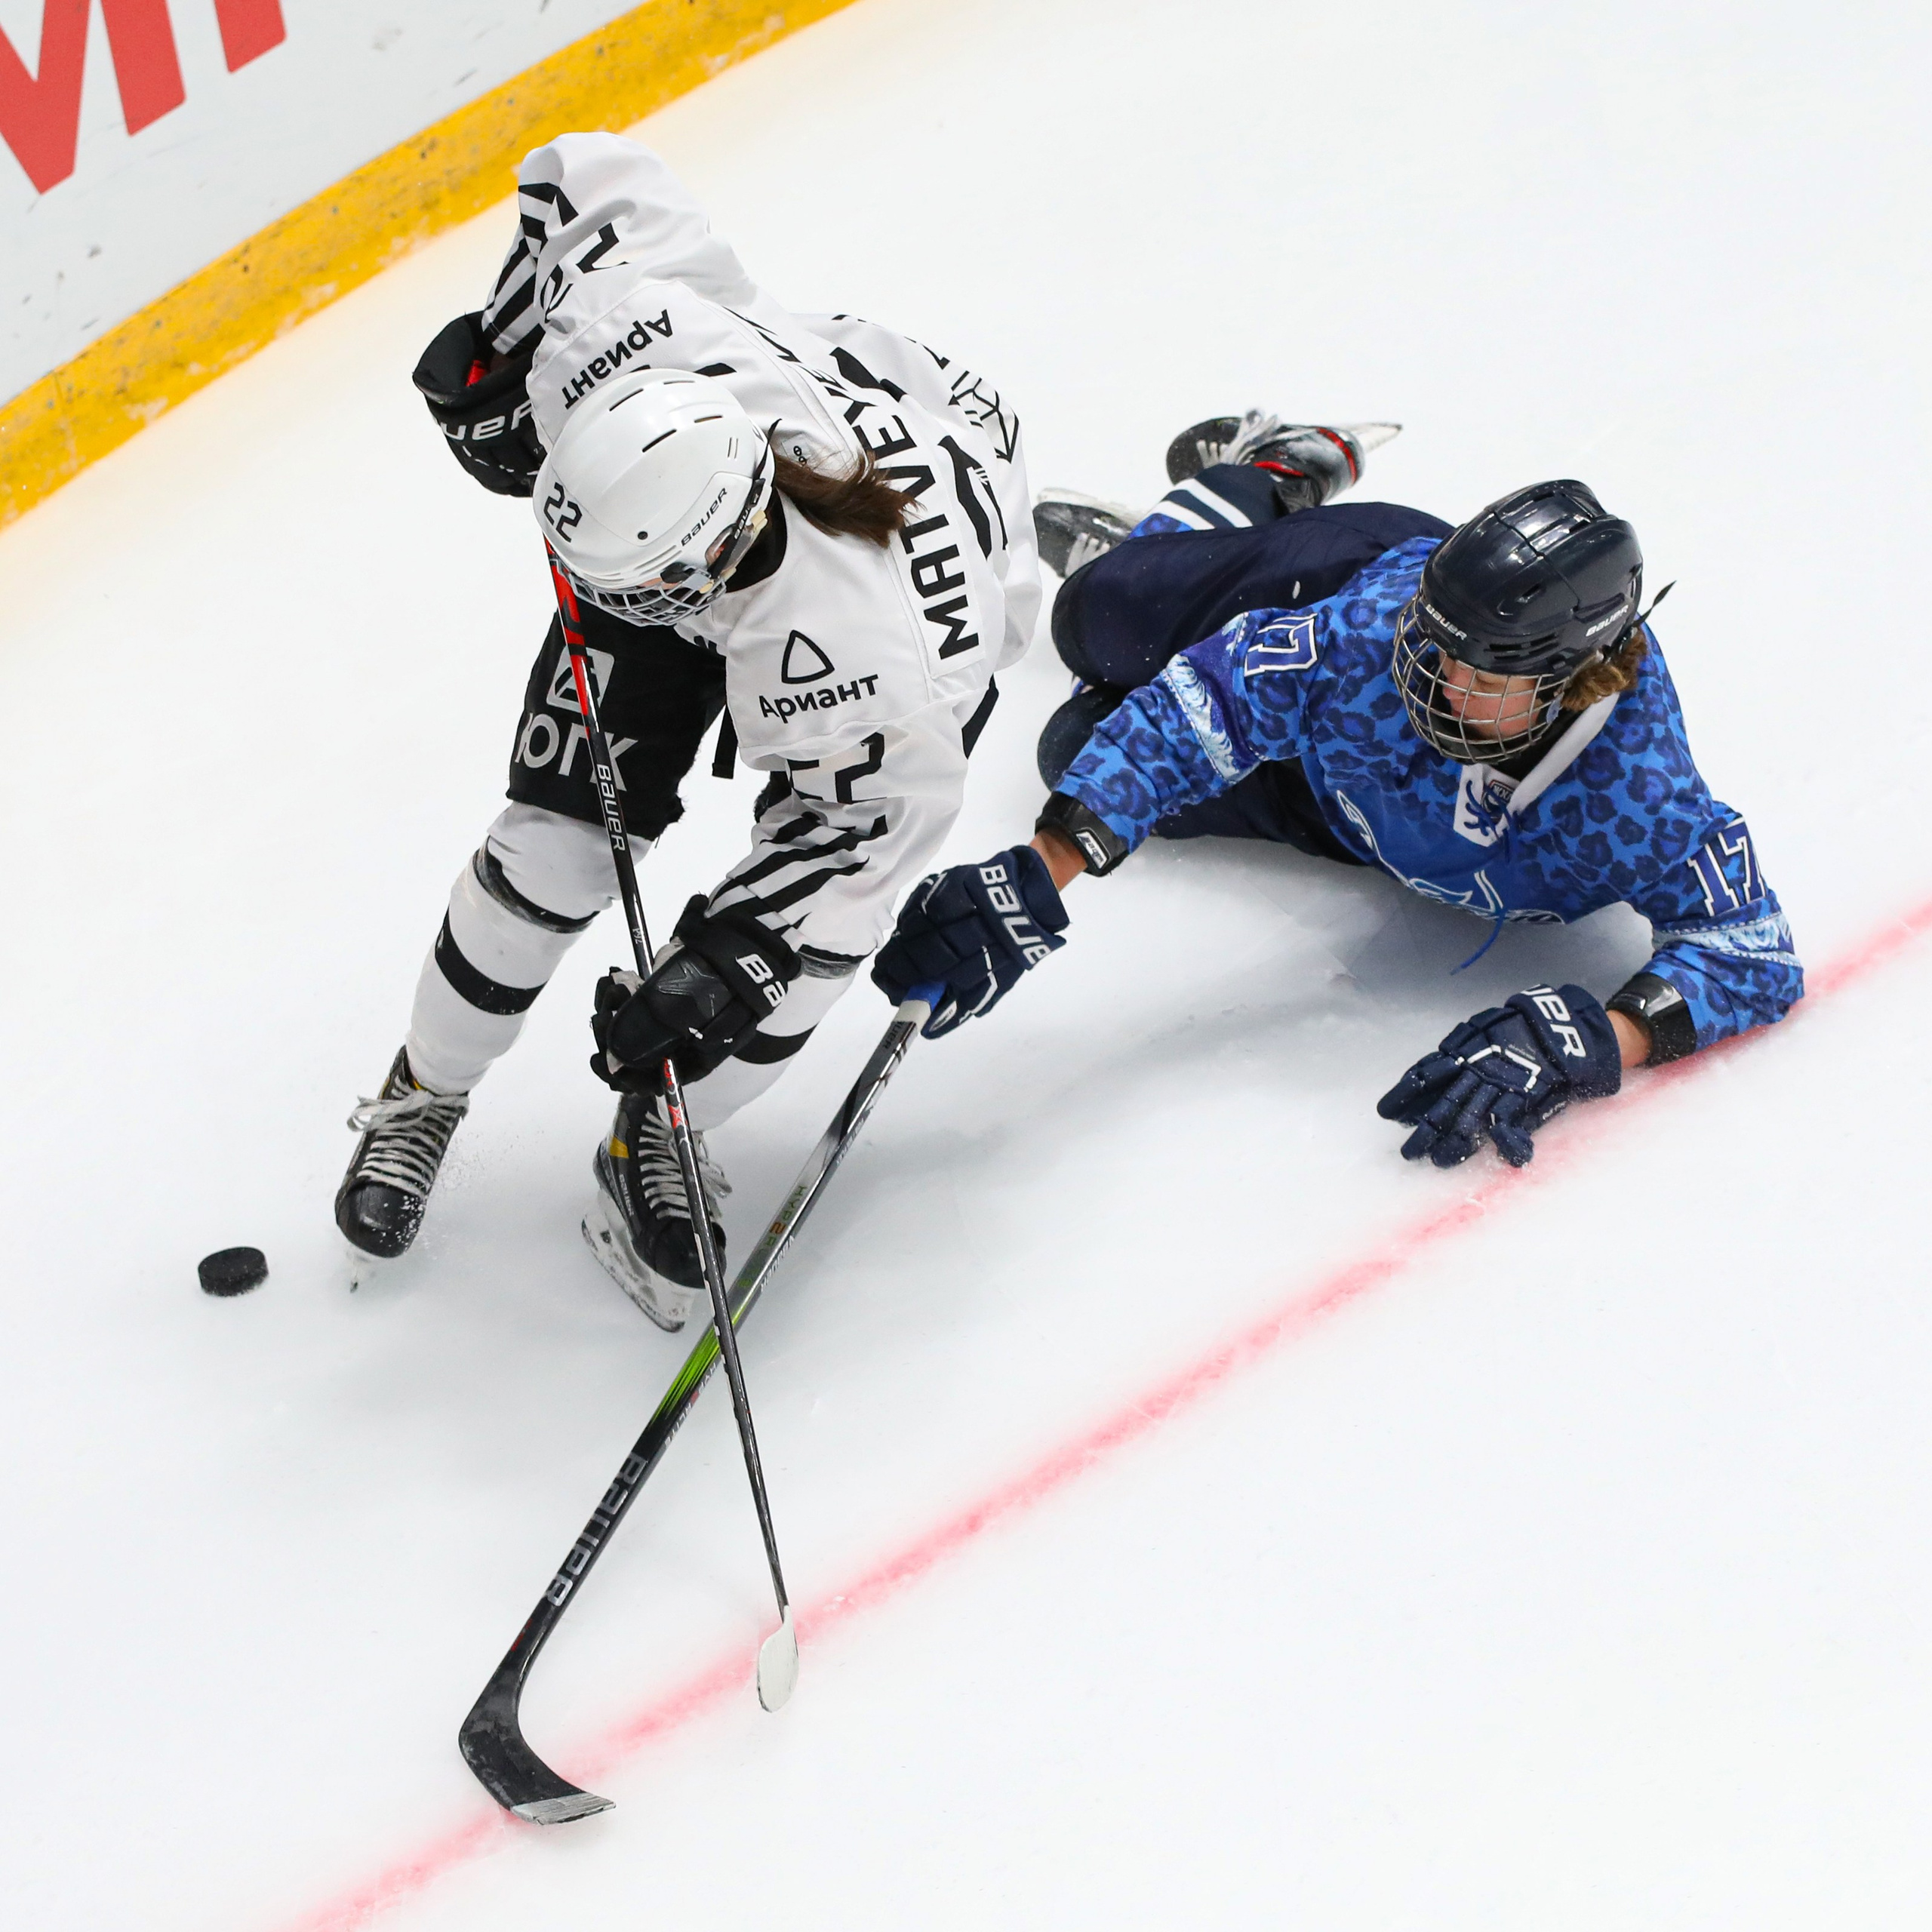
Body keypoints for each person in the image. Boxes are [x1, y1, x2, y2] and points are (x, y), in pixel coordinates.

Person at [335, 134, 1038, 1327]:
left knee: (810, 955)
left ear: (716, 555)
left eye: (645, 594)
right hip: (742, 510)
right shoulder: (631, 331)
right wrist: (502, 347)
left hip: (895, 654)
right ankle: (423, 1090)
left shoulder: (880, 654)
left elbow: (880, 827)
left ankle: (658, 1128)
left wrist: (731, 962)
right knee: (546, 854)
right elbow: (589, 172)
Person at [872, 411, 1801, 1167]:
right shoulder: (1370, 627)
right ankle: (1270, 476)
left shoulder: (1635, 795)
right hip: (1327, 575)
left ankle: (1182, 561)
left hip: (1338, 809)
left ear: (1566, 680)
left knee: (1074, 737)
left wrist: (1593, 1039)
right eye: (1430, 636)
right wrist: (1040, 871)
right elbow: (1210, 704)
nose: (1423, 670)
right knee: (1088, 620)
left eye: (1472, 667)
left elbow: (1749, 950)